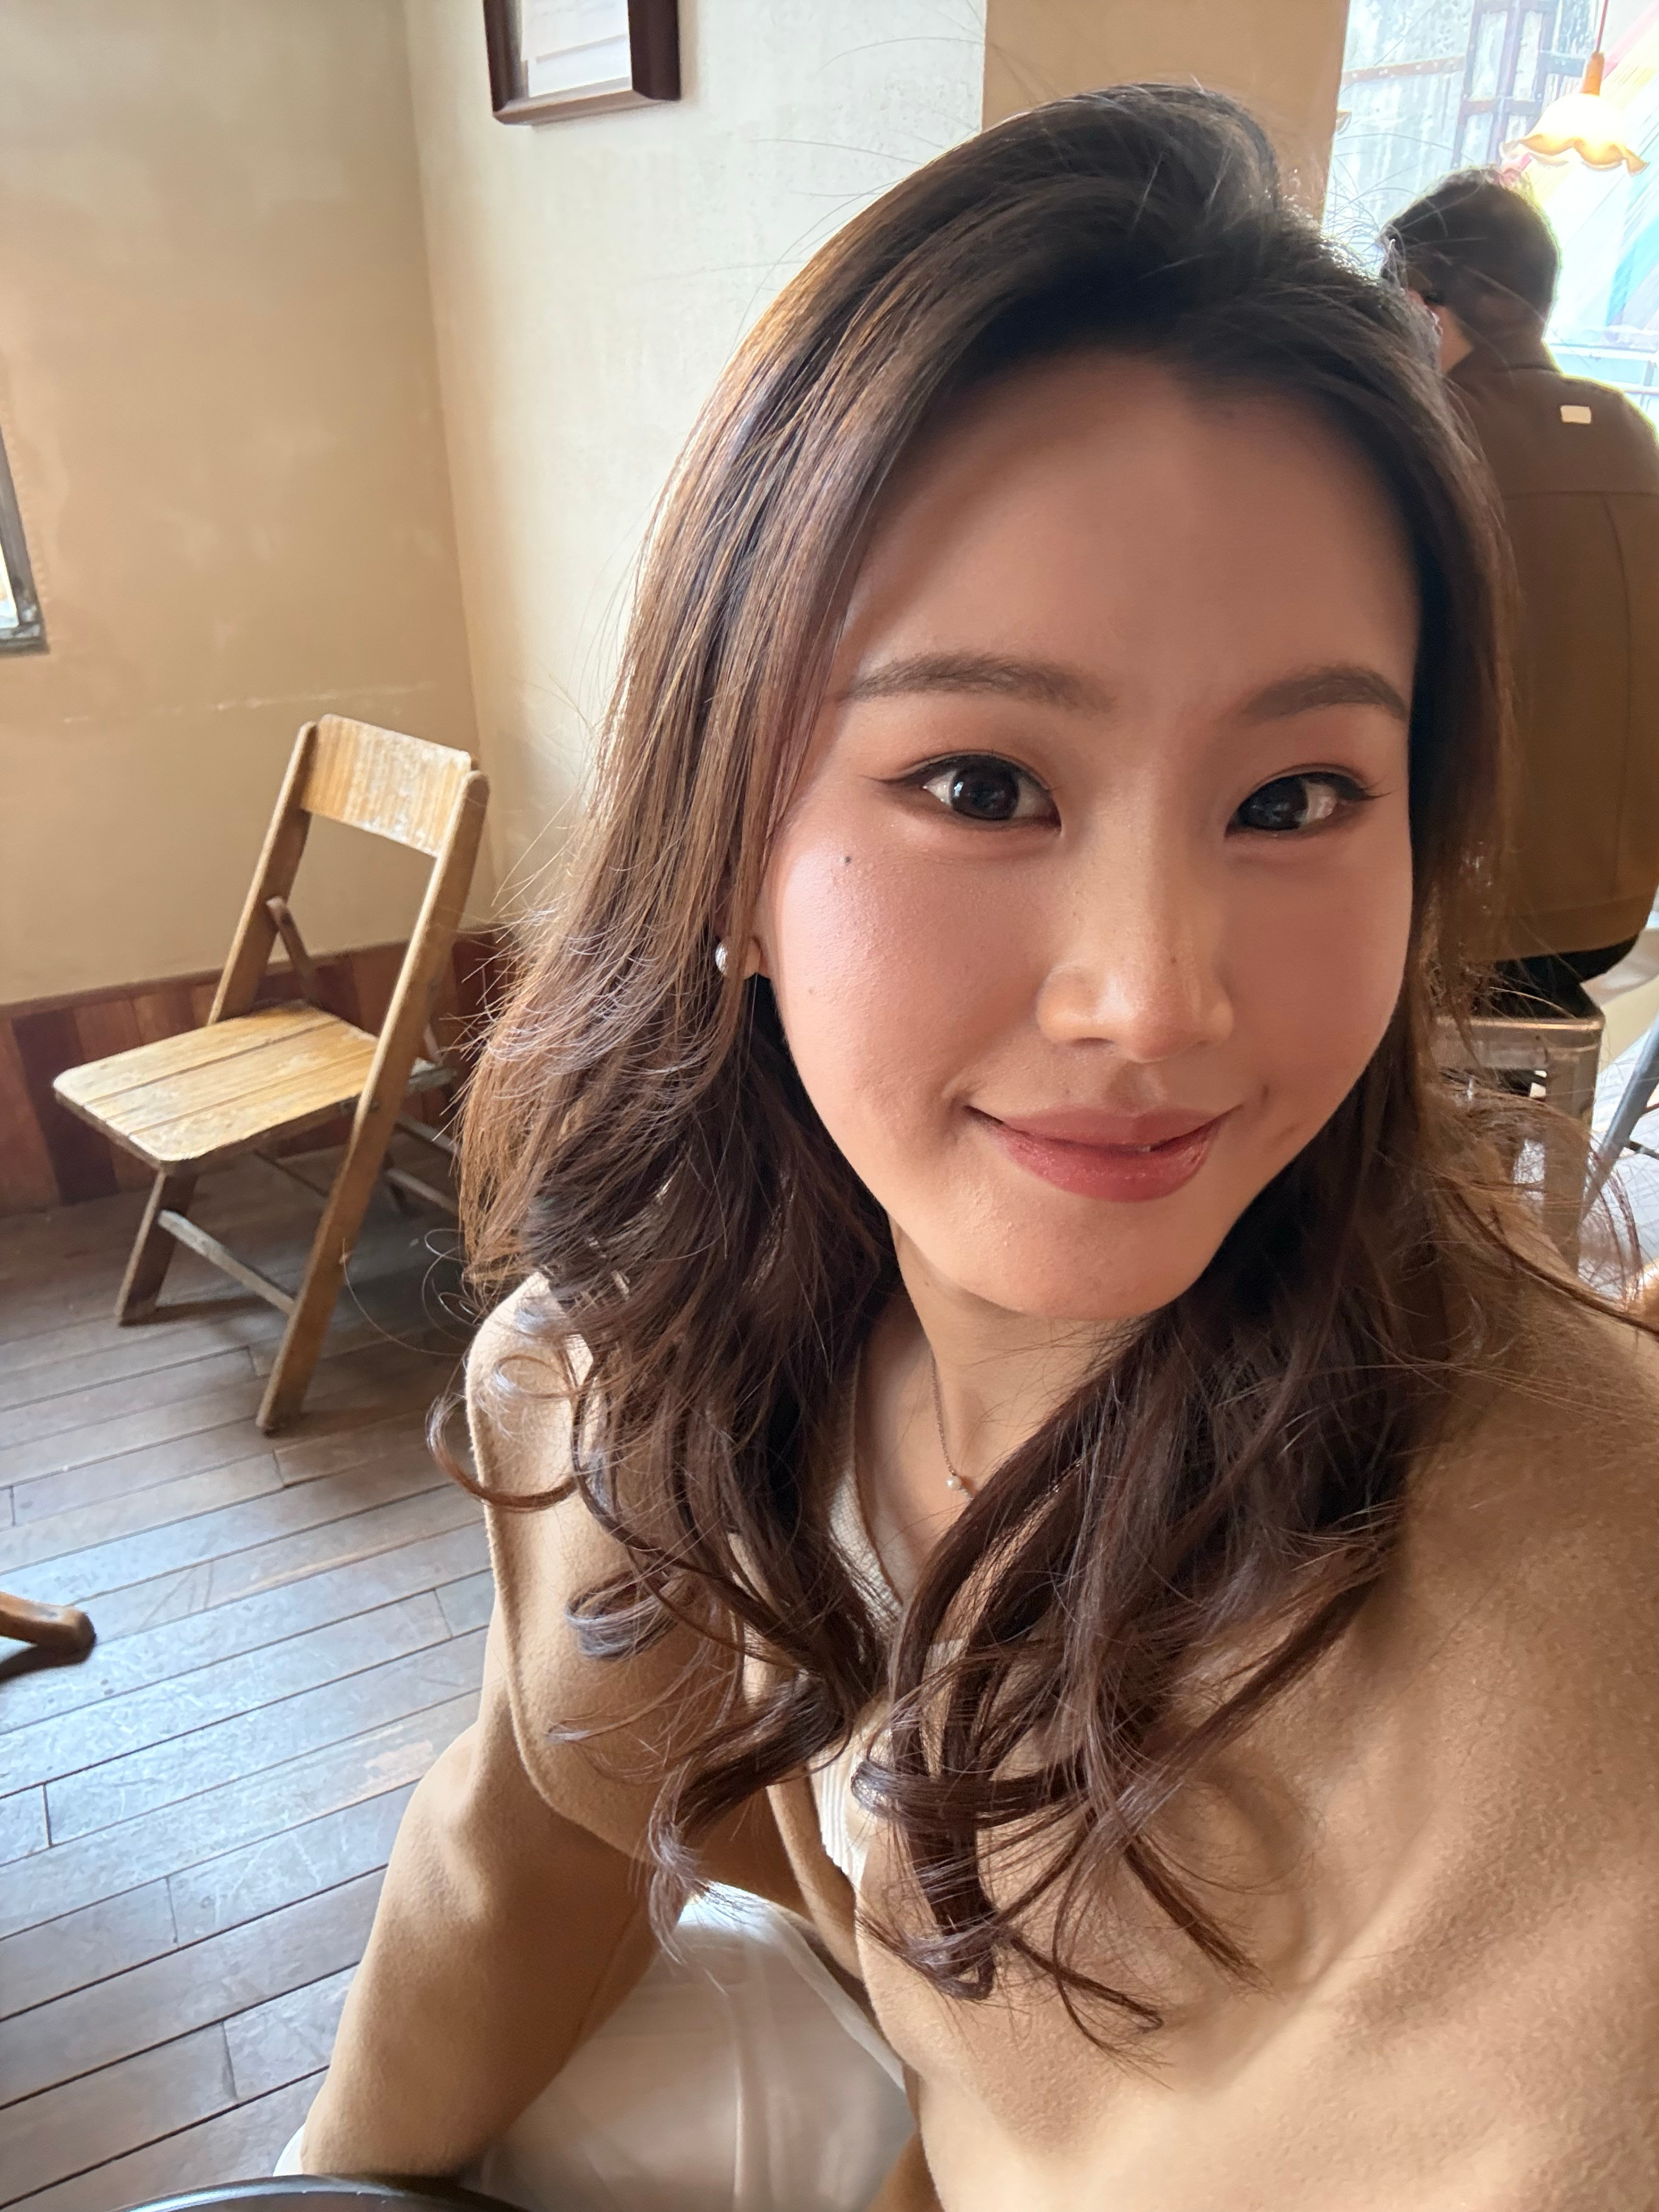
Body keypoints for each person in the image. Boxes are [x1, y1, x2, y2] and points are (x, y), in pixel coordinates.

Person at [293, 89, 1659, 2212]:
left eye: (1294, 798)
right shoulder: (631, 1368)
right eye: (983, 785)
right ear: (729, 838)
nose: (1152, 997)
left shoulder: (1578, 1682)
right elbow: (541, 1826)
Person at [1384, 168, 1659, 1018]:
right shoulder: (1631, 433)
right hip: (1616, 917)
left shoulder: (1424, 441)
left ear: (1422, 305)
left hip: (1454, 923)